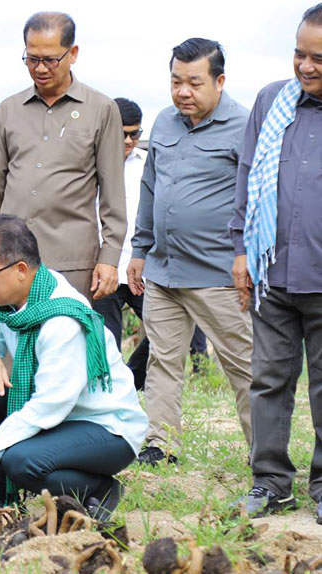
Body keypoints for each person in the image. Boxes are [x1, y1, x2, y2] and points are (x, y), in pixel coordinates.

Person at [0, 214, 147, 517]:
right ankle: (4, 496)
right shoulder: (8, 301)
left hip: (106, 428)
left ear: (19, 270)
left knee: (21, 461)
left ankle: (98, 488)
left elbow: (49, 407)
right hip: (56, 416)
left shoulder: (61, 320)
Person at [128, 38, 252, 465]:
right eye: (176, 81)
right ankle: (162, 445)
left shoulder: (244, 125)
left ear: (219, 81)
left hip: (218, 271)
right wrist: (140, 248)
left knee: (245, 366)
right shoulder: (163, 122)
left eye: (194, 83)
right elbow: (150, 188)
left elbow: (258, 198)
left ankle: (265, 453)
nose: (183, 92)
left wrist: (246, 255)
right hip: (164, 270)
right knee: (163, 360)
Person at [230, 4, 322, 523]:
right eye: (298, 53)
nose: (305, 67)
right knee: (268, 379)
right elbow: (247, 175)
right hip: (272, 271)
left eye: (319, 58)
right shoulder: (272, 101)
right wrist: (242, 249)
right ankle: (270, 483)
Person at [0, 11, 125, 302]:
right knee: (11, 344)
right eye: (32, 59)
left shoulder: (101, 109)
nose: (40, 68)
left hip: (71, 262)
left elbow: (113, 195)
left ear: (73, 53)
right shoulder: (8, 110)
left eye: (50, 60)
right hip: (9, 260)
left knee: (66, 341)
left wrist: (110, 257)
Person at [92, 98, 207, 390]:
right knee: (106, 344)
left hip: (142, 266)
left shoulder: (148, 164)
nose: (130, 141)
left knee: (168, 328)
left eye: (135, 133)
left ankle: (132, 380)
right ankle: (114, 393)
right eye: (123, 134)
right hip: (103, 268)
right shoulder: (87, 167)